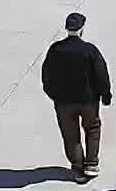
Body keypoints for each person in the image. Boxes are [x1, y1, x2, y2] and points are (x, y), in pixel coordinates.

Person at [41, 12, 111, 181]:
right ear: (82, 29)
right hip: (88, 101)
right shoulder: (90, 50)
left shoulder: (55, 49)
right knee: (92, 129)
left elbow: (46, 76)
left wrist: (54, 95)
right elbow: (101, 74)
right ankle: (91, 164)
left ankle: (77, 168)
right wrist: (105, 95)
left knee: (70, 134)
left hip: (63, 102)